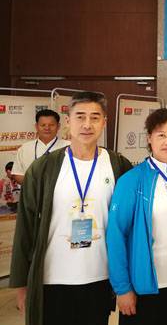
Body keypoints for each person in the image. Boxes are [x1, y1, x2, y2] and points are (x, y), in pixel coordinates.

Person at [9, 91, 133, 325]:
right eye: (80, 116)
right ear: (68, 121)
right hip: (52, 278)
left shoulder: (117, 165)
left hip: (99, 276)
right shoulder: (44, 168)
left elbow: (128, 225)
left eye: (95, 117)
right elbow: (25, 226)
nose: (87, 124)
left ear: (104, 122)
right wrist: (21, 283)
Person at [107, 108, 167, 325]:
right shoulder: (132, 180)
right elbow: (116, 235)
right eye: (161, 135)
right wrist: (122, 288)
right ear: (149, 138)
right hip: (145, 287)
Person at [11, 109, 70, 184]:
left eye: (51, 125)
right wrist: (34, 186)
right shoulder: (25, 148)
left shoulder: (69, 146)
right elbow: (17, 173)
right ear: (36, 126)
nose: (47, 128)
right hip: (33, 191)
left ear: (58, 126)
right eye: (43, 125)